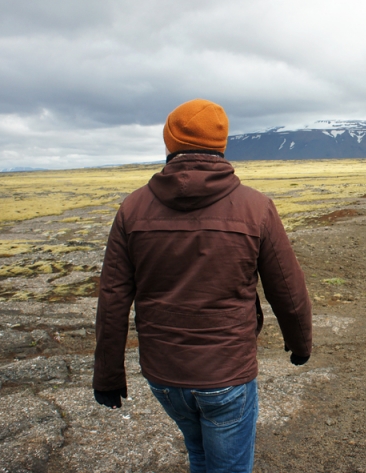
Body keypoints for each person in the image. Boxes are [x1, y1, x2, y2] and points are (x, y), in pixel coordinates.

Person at [92, 99, 313, 473]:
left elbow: (113, 298)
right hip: (227, 372)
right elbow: (288, 290)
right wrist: (300, 344)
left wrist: (108, 377)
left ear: (169, 143)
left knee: (199, 454)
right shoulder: (255, 207)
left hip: (164, 375)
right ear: (222, 145)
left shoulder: (132, 209)